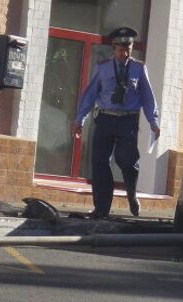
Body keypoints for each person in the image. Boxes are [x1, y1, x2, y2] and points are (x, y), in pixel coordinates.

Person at [72, 26, 161, 218]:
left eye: (128, 48)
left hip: (127, 121)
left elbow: (147, 96)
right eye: (121, 49)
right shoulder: (103, 67)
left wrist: (153, 121)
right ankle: (102, 208)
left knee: (127, 161)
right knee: (100, 162)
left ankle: (131, 194)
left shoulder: (138, 68)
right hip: (105, 119)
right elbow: (90, 94)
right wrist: (80, 118)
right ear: (113, 49)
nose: (125, 53)